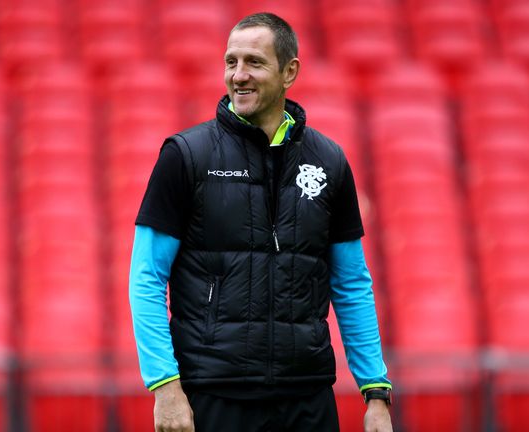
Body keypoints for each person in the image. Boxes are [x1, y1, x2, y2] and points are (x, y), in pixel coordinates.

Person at [129, 12, 393, 432]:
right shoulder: (185, 156)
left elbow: (352, 282)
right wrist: (165, 387)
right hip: (214, 395)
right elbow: (146, 276)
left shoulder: (330, 162)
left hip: (307, 396)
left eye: (254, 62)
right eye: (231, 62)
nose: (238, 76)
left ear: (290, 72)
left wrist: (375, 393)